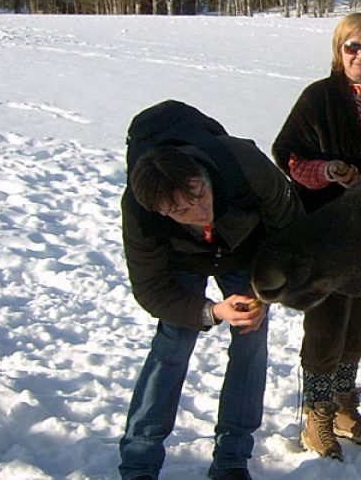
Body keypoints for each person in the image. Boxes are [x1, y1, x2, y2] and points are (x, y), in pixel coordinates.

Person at [118, 114, 301, 480]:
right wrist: (211, 311)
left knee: (250, 341)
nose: (201, 211)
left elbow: (292, 229)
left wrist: (264, 289)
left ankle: (233, 459)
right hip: (181, 261)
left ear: (201, 172)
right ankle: (139, 463)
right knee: (173, 342)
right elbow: (151, 288)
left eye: (200, 193)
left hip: (246, 253)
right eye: (183, 210)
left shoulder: (244, 165)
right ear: (161, 211)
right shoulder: (141, 212)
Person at [271, 12, 361, 461]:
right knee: (329, 321)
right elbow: (290, 157)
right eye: (352, 46)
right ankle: (316, 416)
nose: (360, 56)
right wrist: (329, 171)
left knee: (359, 327)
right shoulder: (320, 97)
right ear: (338, 49)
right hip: (330, 228)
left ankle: (343, 407)